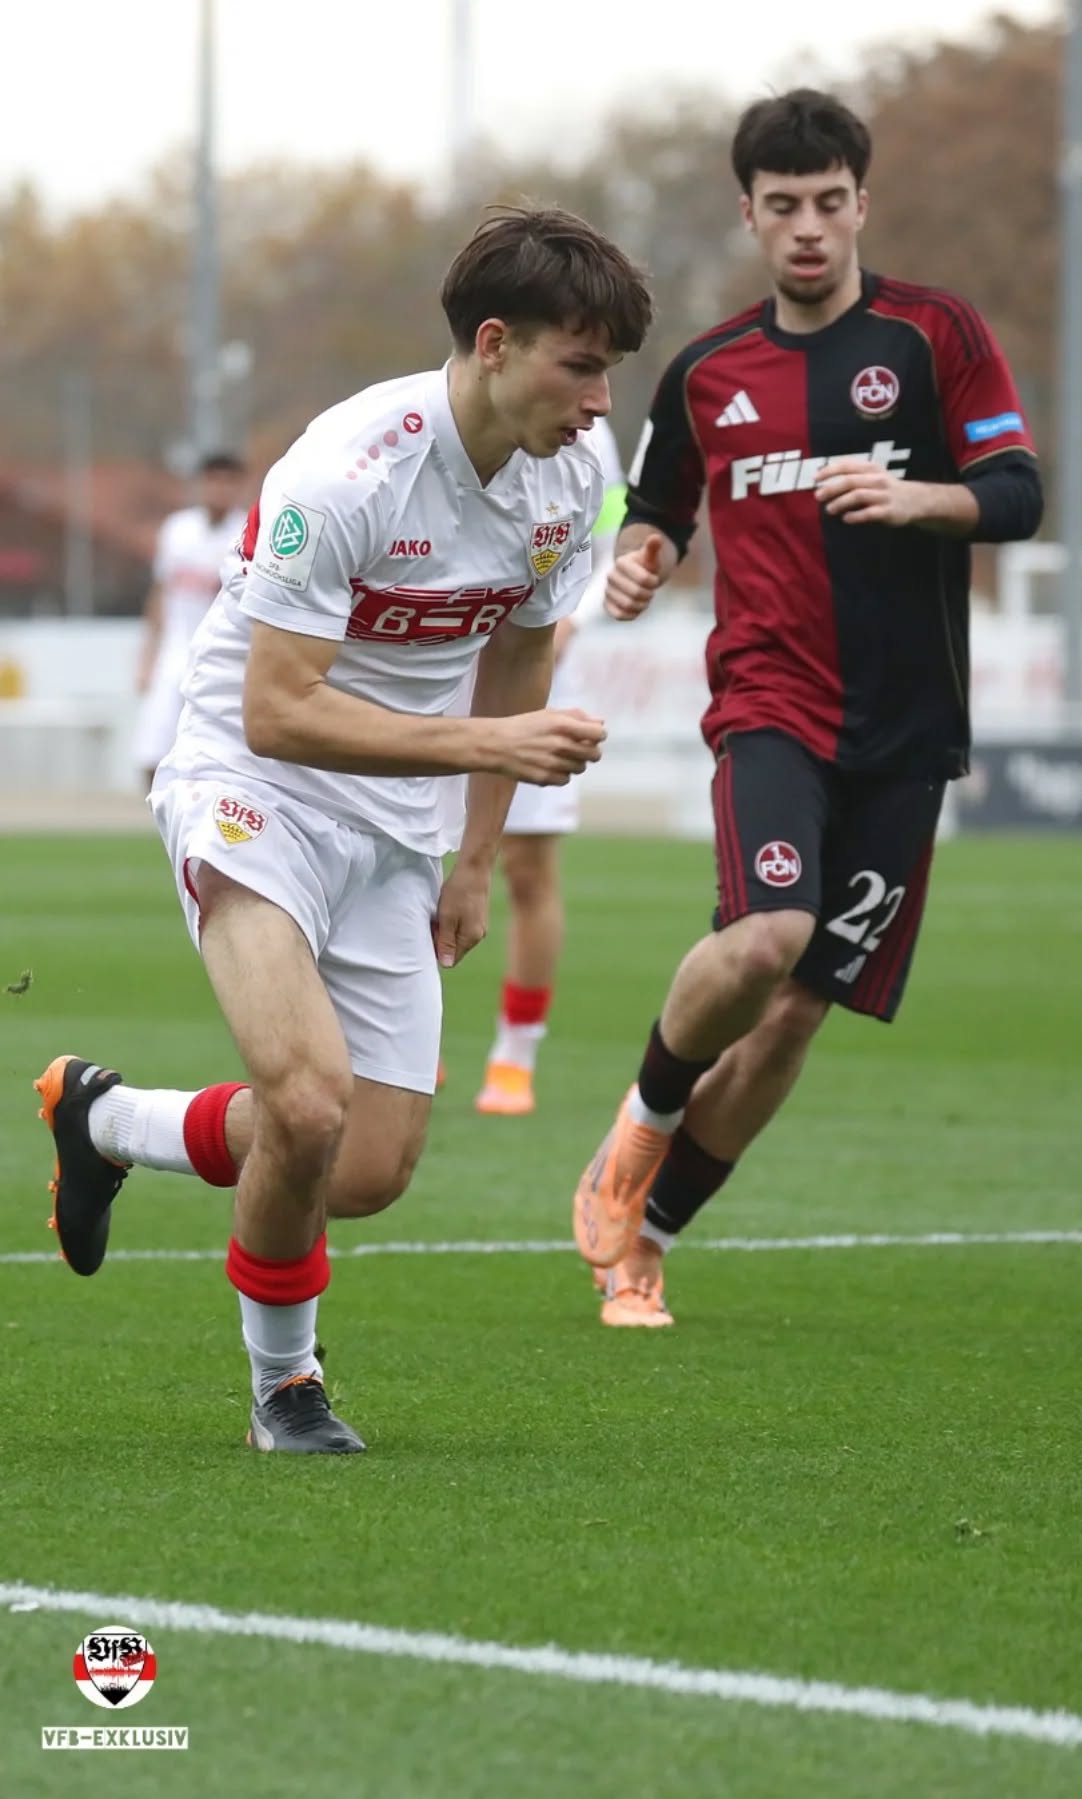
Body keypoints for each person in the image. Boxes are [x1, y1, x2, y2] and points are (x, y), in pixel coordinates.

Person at [34, 204, 652, 1451]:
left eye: (609, 371)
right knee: (307, 1105)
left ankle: (106, 1121)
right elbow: (278, 710)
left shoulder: (579, 472)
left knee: (363, 1165)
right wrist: (487, 751)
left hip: (399, 820)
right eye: (580, 364)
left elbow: (523, 652)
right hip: (250, 785)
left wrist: (475, 855)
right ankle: (287, 1383)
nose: (599, 399)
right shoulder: (346, 469)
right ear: (493, 343)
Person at [571, 89, 1043, 1328]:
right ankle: (642, 1119)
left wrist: (923, 500)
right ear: (750, 214)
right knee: (768, 934)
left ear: (860, 203)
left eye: (830, 203)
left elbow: (1016, 489)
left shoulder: (935, 336)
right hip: (771, 703)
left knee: (792, 1018)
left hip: (909, 727)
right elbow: (656, 508)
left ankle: (645, 1246)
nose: (809, 229)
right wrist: (640, 558)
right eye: (784, 207)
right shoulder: (709, 371)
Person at [470, 416, 628, 1117]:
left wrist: (570, 622)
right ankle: (402, 1040)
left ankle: (515, 1054)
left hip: (541, 669)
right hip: (444, 667)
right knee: (400, 850)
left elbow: (613, 549)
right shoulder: (462, 411)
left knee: (528, 869)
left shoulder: (595, 438)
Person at [133, 452, 251, 788]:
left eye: (229, 481)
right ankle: (158, 821)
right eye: (213, 480)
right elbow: (160, 594)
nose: (220, 489)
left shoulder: (246, 533)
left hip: (224, 653)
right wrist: (146, 656)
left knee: (225, 749)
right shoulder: (178, 530)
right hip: (176, 649)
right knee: (152, 746)